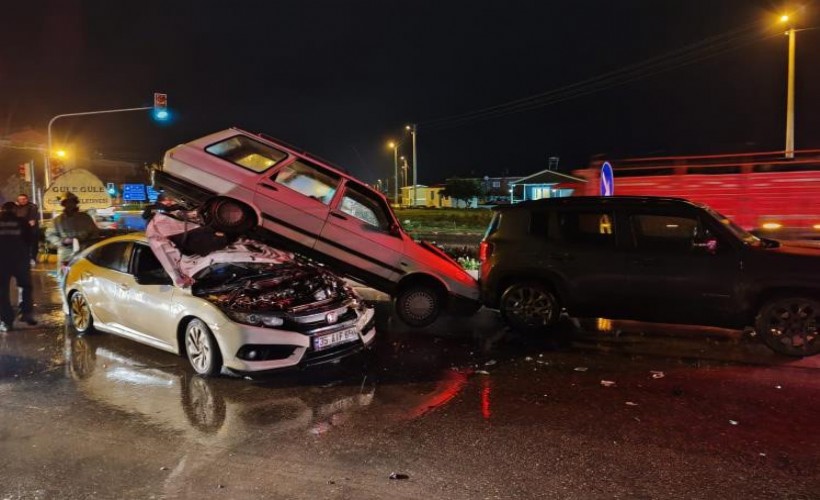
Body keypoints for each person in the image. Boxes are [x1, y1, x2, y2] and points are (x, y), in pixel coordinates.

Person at [0, 201, 36, 331]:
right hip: (20, 260)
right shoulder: (22, 222)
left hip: (2, 262)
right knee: (25, 287)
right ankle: (25, 313)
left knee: (2, 292)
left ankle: (6, 321)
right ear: (15, 210)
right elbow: (30, 239)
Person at [45, 192, 99, 273]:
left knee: (84, 275)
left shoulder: (85, 218)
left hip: (84, 251)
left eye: (71, 202)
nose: (69, 205)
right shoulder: (57, 220)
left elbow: (95, 233)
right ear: (63, 204)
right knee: (64, 275)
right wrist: (62, 241)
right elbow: (50, 234)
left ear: (75, 203)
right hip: (66, 253)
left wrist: (88, 244)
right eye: (66, 203)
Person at [15, 193, 40, 264]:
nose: (21, 201)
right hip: (21, 231)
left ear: (27, 199)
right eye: (20, 199)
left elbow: (32, 222)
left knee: (32, 245)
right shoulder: (16, 207)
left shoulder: (32, 207)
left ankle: (32, 259)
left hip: (31, 231)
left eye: (23, 199)